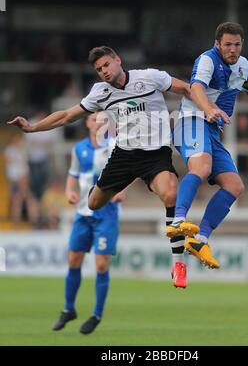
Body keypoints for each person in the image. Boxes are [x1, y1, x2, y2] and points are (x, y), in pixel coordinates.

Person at [7, 46, 192, 288]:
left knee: (170, 193)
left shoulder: (149, 77)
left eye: (106, 65)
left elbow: (187, 89)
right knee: (93, 203)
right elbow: (66, 115)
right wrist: (32, 128)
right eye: (98, 69)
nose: (104, 71)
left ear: (118, 60)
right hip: (124, 156)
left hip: (155, 155)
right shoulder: (100, 92)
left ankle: (178, 263)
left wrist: (207, 109)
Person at [168, 22, 248, 269]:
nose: (232, 49)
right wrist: (209, 109)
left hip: (213, 130)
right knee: (202, 167)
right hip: (192, 121)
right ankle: (178, 220)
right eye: (227, 44)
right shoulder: (207, 60)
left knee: (235, 185)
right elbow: (195, 88)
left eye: (237, 45)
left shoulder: (243, 66)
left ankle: (201, 240)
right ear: (217, 43)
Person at [52, 112, 122, 334]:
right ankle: (68, 308)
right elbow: (73, 175)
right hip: (82, 212)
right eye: (95, 120)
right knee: (73, 259)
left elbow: (130, 172)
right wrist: (69, 192)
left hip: (106, 213)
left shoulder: (115, 147)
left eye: (104, 120)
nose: (99, 123)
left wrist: (122, 191)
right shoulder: (79, 148)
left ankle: (97, 314)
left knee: (101, 265)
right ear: (88, 123)